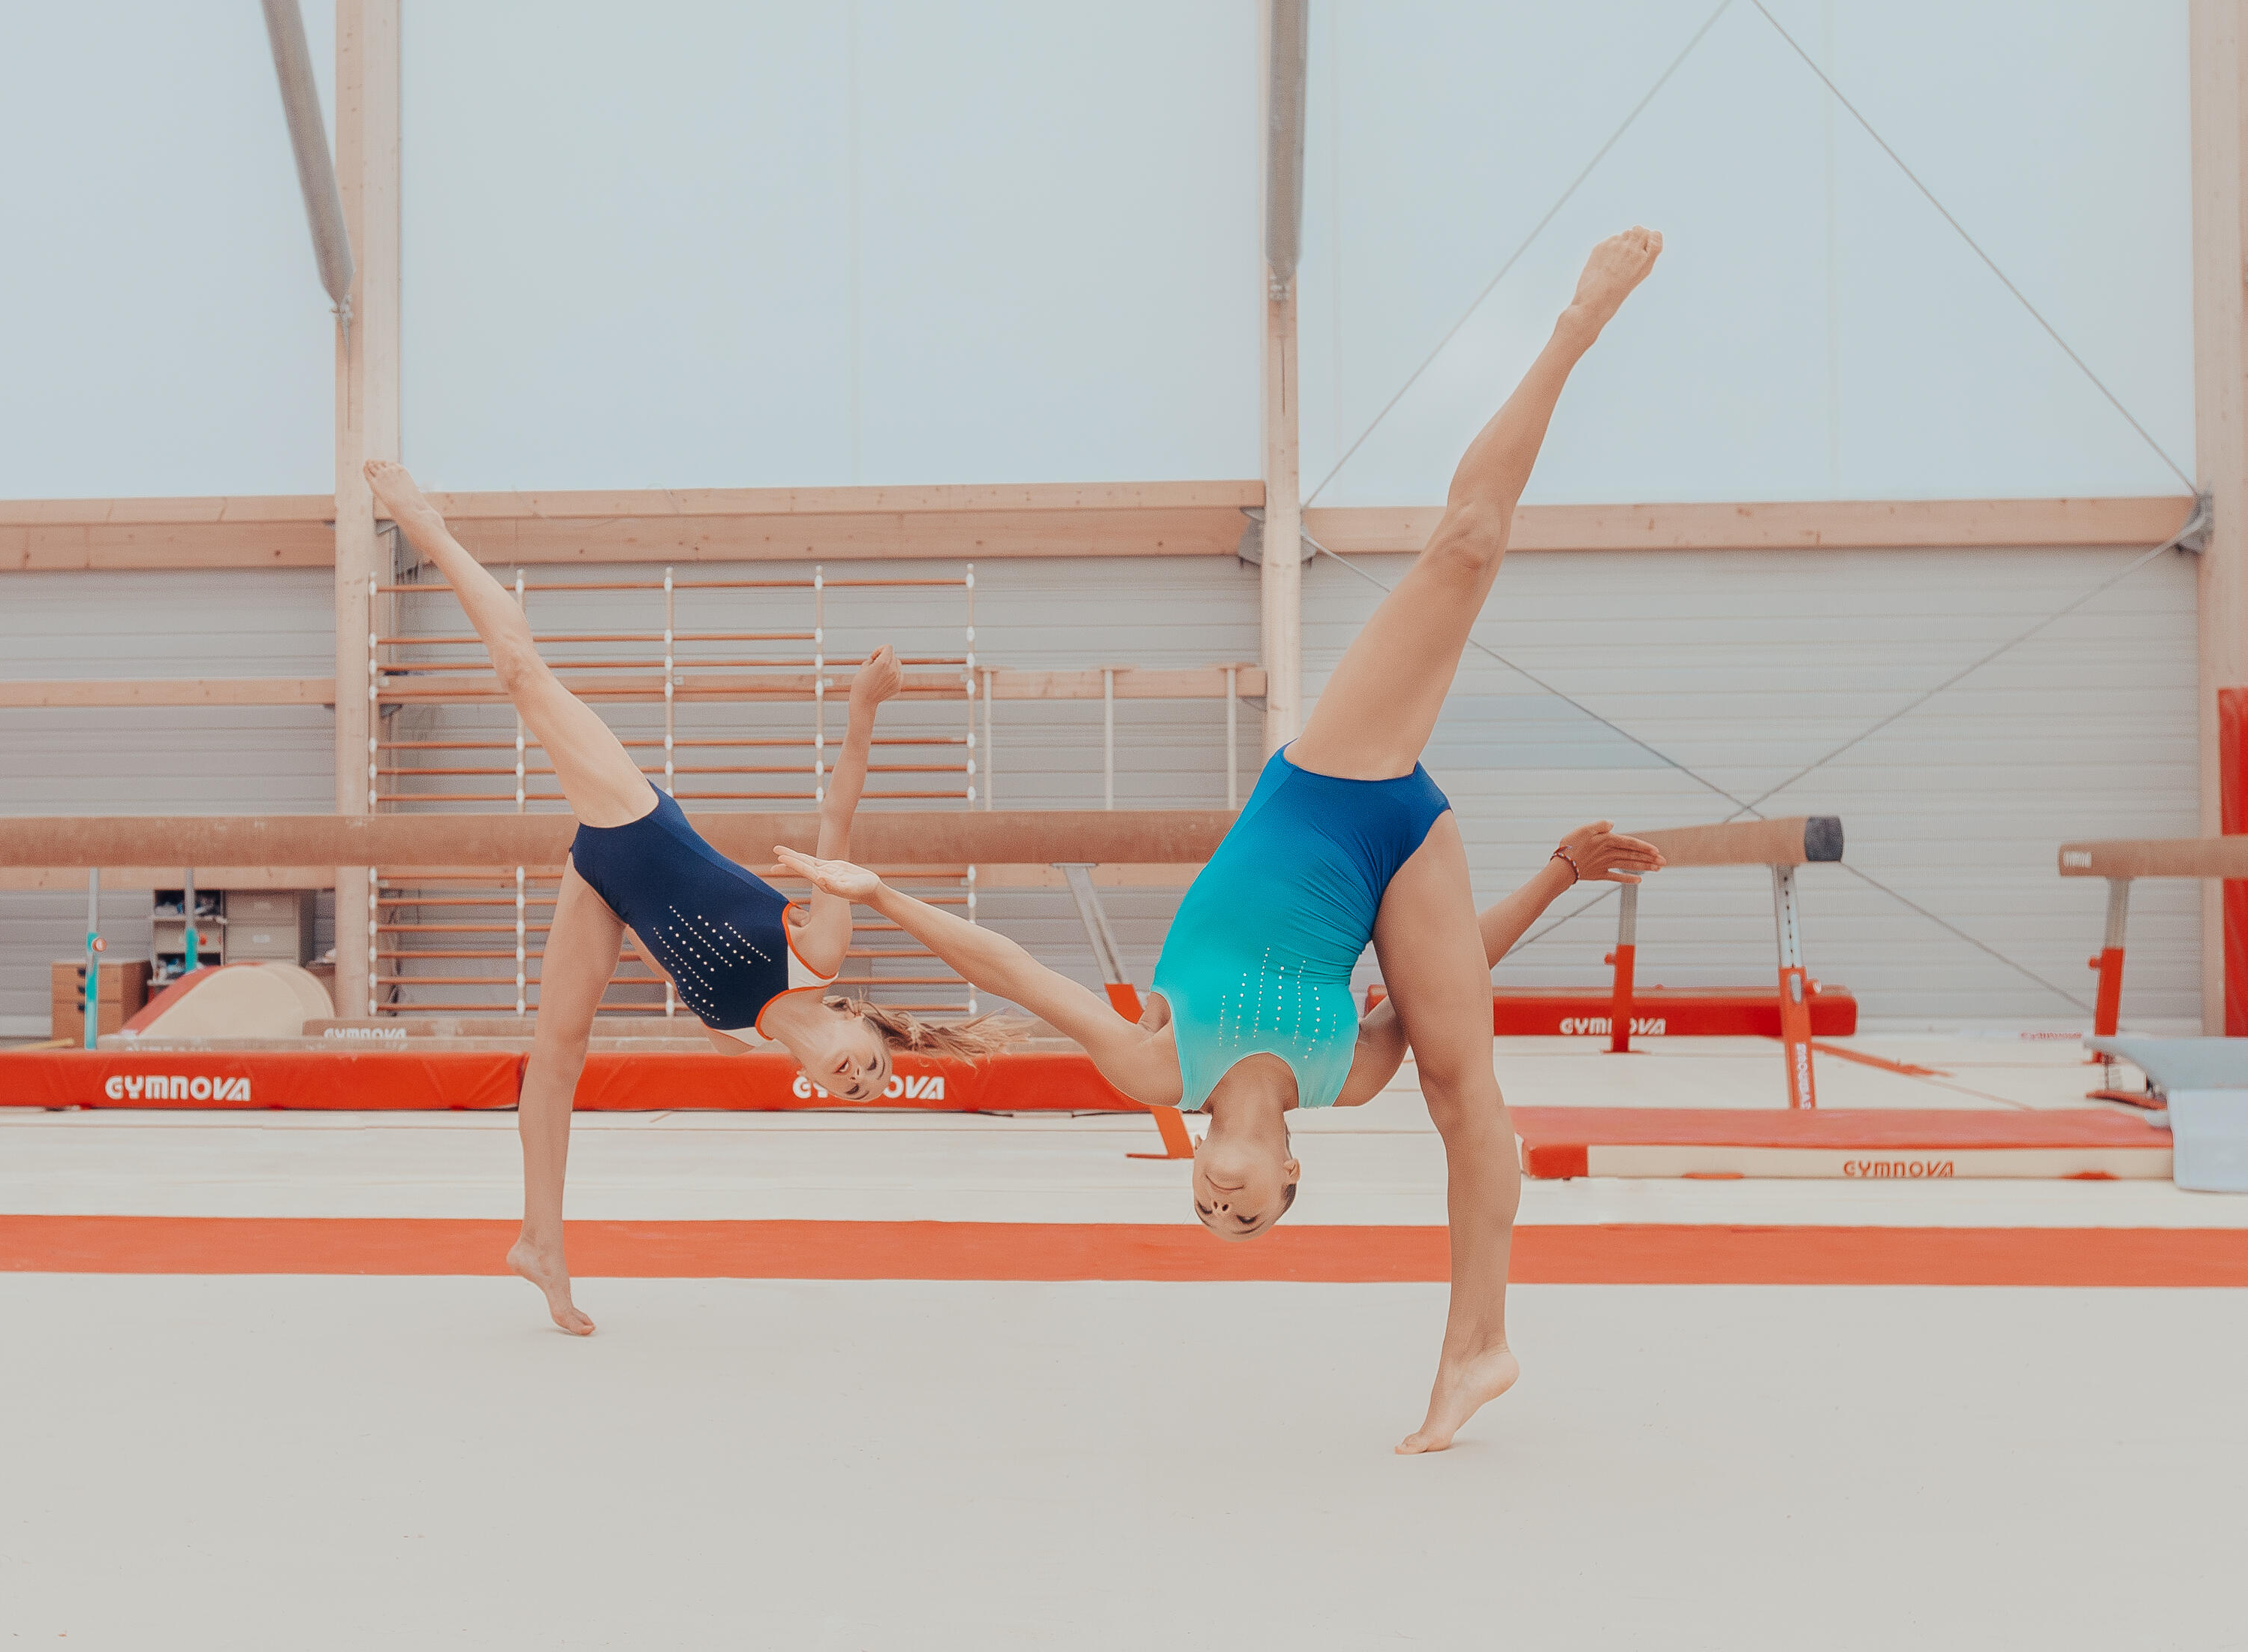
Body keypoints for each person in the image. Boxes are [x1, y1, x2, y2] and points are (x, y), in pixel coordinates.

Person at [776, 227, 1665, 1452]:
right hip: (1405, 852)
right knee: (1469, 1088)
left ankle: (1574, 325)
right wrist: (1559, 874)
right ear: (1292, 1179)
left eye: (1211, 1214)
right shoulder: (1346, 1077)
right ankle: (1479, 1346)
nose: (1223, 1205)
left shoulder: (1159, 1071)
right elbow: (1456, 966)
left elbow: (1017, 975)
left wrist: (880, 896)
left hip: (1326, 791)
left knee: (1465, 545)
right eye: (1251, 1220)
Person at [362, 460, 1014, 1336]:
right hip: (638, 821)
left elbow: (662, 945)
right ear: (861, 1020)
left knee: (556, 1055)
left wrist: (617, 912)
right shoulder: (821, 951)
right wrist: (864, 709)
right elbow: (839, 811)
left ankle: (539, 1241)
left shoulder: (738, 1042)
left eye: (856, 1092)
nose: (861, 1078)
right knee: (520, 673)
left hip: (605, 883)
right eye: (876, 1065)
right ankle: (427, 524)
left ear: (818, 1085)